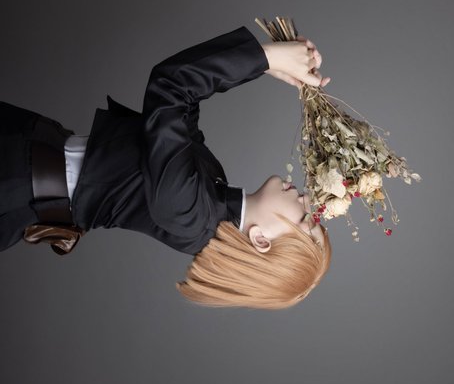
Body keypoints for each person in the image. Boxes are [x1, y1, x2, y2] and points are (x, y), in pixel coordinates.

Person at [0, 25, 332, 309]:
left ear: (260, 240)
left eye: (305, 219)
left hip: (13, 183)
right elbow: (184, 106)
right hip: (24, 150)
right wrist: (263, 65)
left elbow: (170, 87)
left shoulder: (192, 216)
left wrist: (265, 56)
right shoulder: (212, 191)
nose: (308, 201)